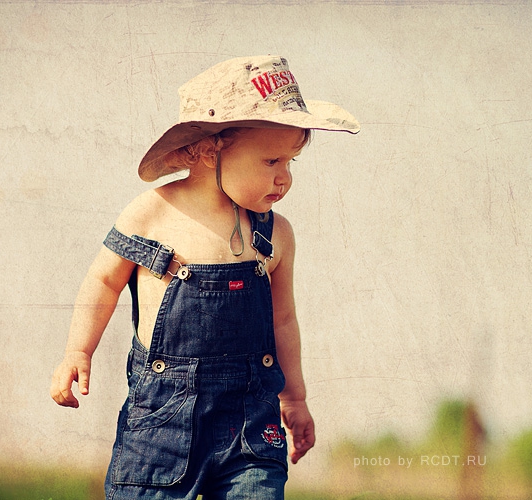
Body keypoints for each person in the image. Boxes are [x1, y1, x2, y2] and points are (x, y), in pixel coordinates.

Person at [49, 55, 359, 499]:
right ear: (211, 149)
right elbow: (103, 281)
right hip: (160, 425)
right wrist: (77, 351)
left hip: (252, 423)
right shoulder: (151, 213)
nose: (284, 178)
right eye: (272, 160)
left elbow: (283, 320)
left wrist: (294, 398)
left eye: (291, 162)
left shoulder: (275, 234)